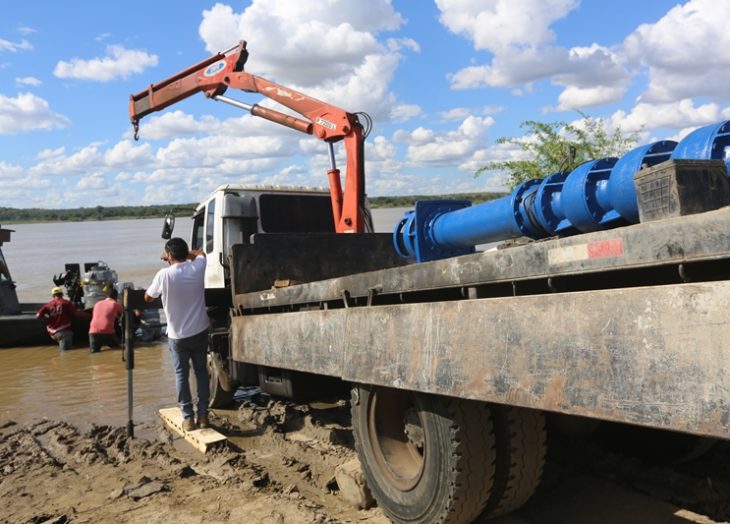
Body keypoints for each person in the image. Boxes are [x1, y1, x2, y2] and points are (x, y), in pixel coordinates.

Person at [144, 237, 210, 432]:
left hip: (177, 336)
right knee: (201, 372)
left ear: (169, 255)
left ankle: (188, 418)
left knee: (181, 374)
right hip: (200, 330)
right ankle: (204, 415)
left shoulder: (163, 275)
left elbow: (148, 297)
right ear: (185, 253)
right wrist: (182, 255)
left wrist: (168, 259)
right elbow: (201, 254)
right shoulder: (197, 268)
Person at [36, 287, 79, 351]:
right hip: (64, 332)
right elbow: (75, 314)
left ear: (53, 295)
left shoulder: (48, 305)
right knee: (65, 353)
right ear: (62, 294)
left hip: (52, 333)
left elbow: (38, 315)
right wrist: (88, 316)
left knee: (63, 349)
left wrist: (48, 319)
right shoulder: (66, 303)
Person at [89, 288, 123, 353]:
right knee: (118, 349)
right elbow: (124, 313)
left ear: (107, 295)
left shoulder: (97, 303)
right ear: (116, 296)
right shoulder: (115, 304)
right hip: (108, 331)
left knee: (94, 353)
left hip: (93, 331)